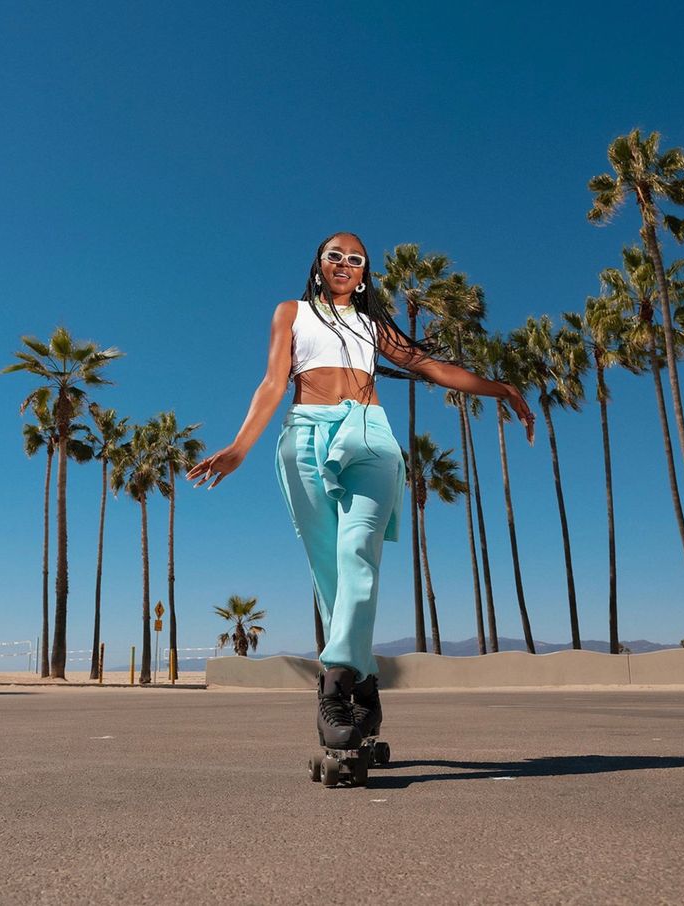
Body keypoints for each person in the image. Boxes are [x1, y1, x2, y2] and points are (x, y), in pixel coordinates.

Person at [186, 232, 534, 751]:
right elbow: (273, 383)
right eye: (335, 256)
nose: (344, 264)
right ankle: (366, 685)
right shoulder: (292, 313)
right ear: (319, 264)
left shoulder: (375, 326)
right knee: (331, 570)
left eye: (355, 259)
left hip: (370, 435)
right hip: (304, 433)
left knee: (358, 555)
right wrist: (240, 447)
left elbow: (434, 368)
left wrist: (500, 387)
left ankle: (334, 687)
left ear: (365, 272)